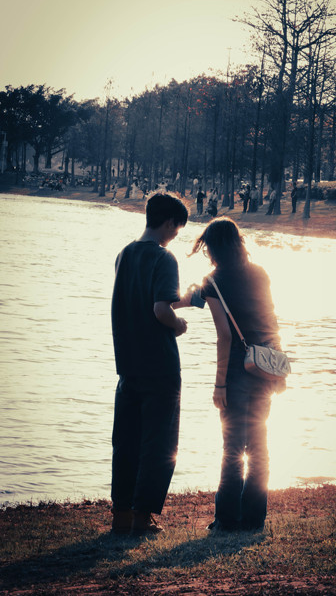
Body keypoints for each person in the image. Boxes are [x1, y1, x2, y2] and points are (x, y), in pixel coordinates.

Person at [190, 218, 287, 532]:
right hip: (264, 366)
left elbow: (225, 336)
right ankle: (254, 518)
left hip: (235, 371)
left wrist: (219, 384)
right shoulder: (260, 273)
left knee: (233, 447)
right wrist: (278, 367)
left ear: (213, 249)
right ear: (239, 242)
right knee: (258, 444)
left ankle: (227, 519)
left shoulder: (213, 281)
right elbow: (271, 320)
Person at [111, 192, 193, 536]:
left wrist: (179, 303)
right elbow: (160, 309)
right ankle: (143, 517)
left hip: (128, 362)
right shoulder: (164, 257)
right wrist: (179, 324)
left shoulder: (124, 254)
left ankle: (121, 514)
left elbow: (139, 300)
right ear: (170, 222)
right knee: (159, 443)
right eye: (178, 228)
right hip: (160, 365)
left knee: (126, 440)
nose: (176, 235)